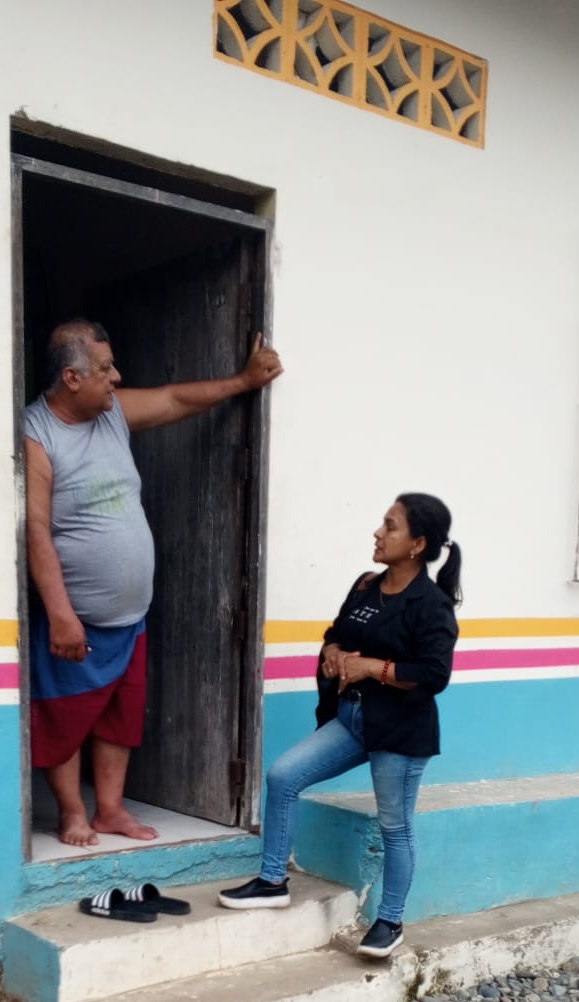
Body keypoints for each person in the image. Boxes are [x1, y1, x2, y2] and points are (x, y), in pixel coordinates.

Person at [25, 319, 283, 847]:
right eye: (105, 369)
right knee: (64, 717)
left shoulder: (111, 412)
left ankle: (110, 810)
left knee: (120, 717)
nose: (116, 377)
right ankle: (73, 813)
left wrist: (244, 381)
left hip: (130, 616)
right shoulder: (37, 435)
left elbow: (172, 399)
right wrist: (60, 613)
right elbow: (36, 531)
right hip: (75, 618)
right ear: (72, 378)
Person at [220, 493, 462, 959]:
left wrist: (372, 667)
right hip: (352, 719)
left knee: (395, 827)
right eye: (382, 524)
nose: (378, 532)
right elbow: (336, 633)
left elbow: (434, 674)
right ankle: (272, 881)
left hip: (400, 732)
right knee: (283, 776)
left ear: (417, 544)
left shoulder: (431, 605)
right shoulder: (366, 585)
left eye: (390, 526)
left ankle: (389, 921)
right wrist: (333, 654)